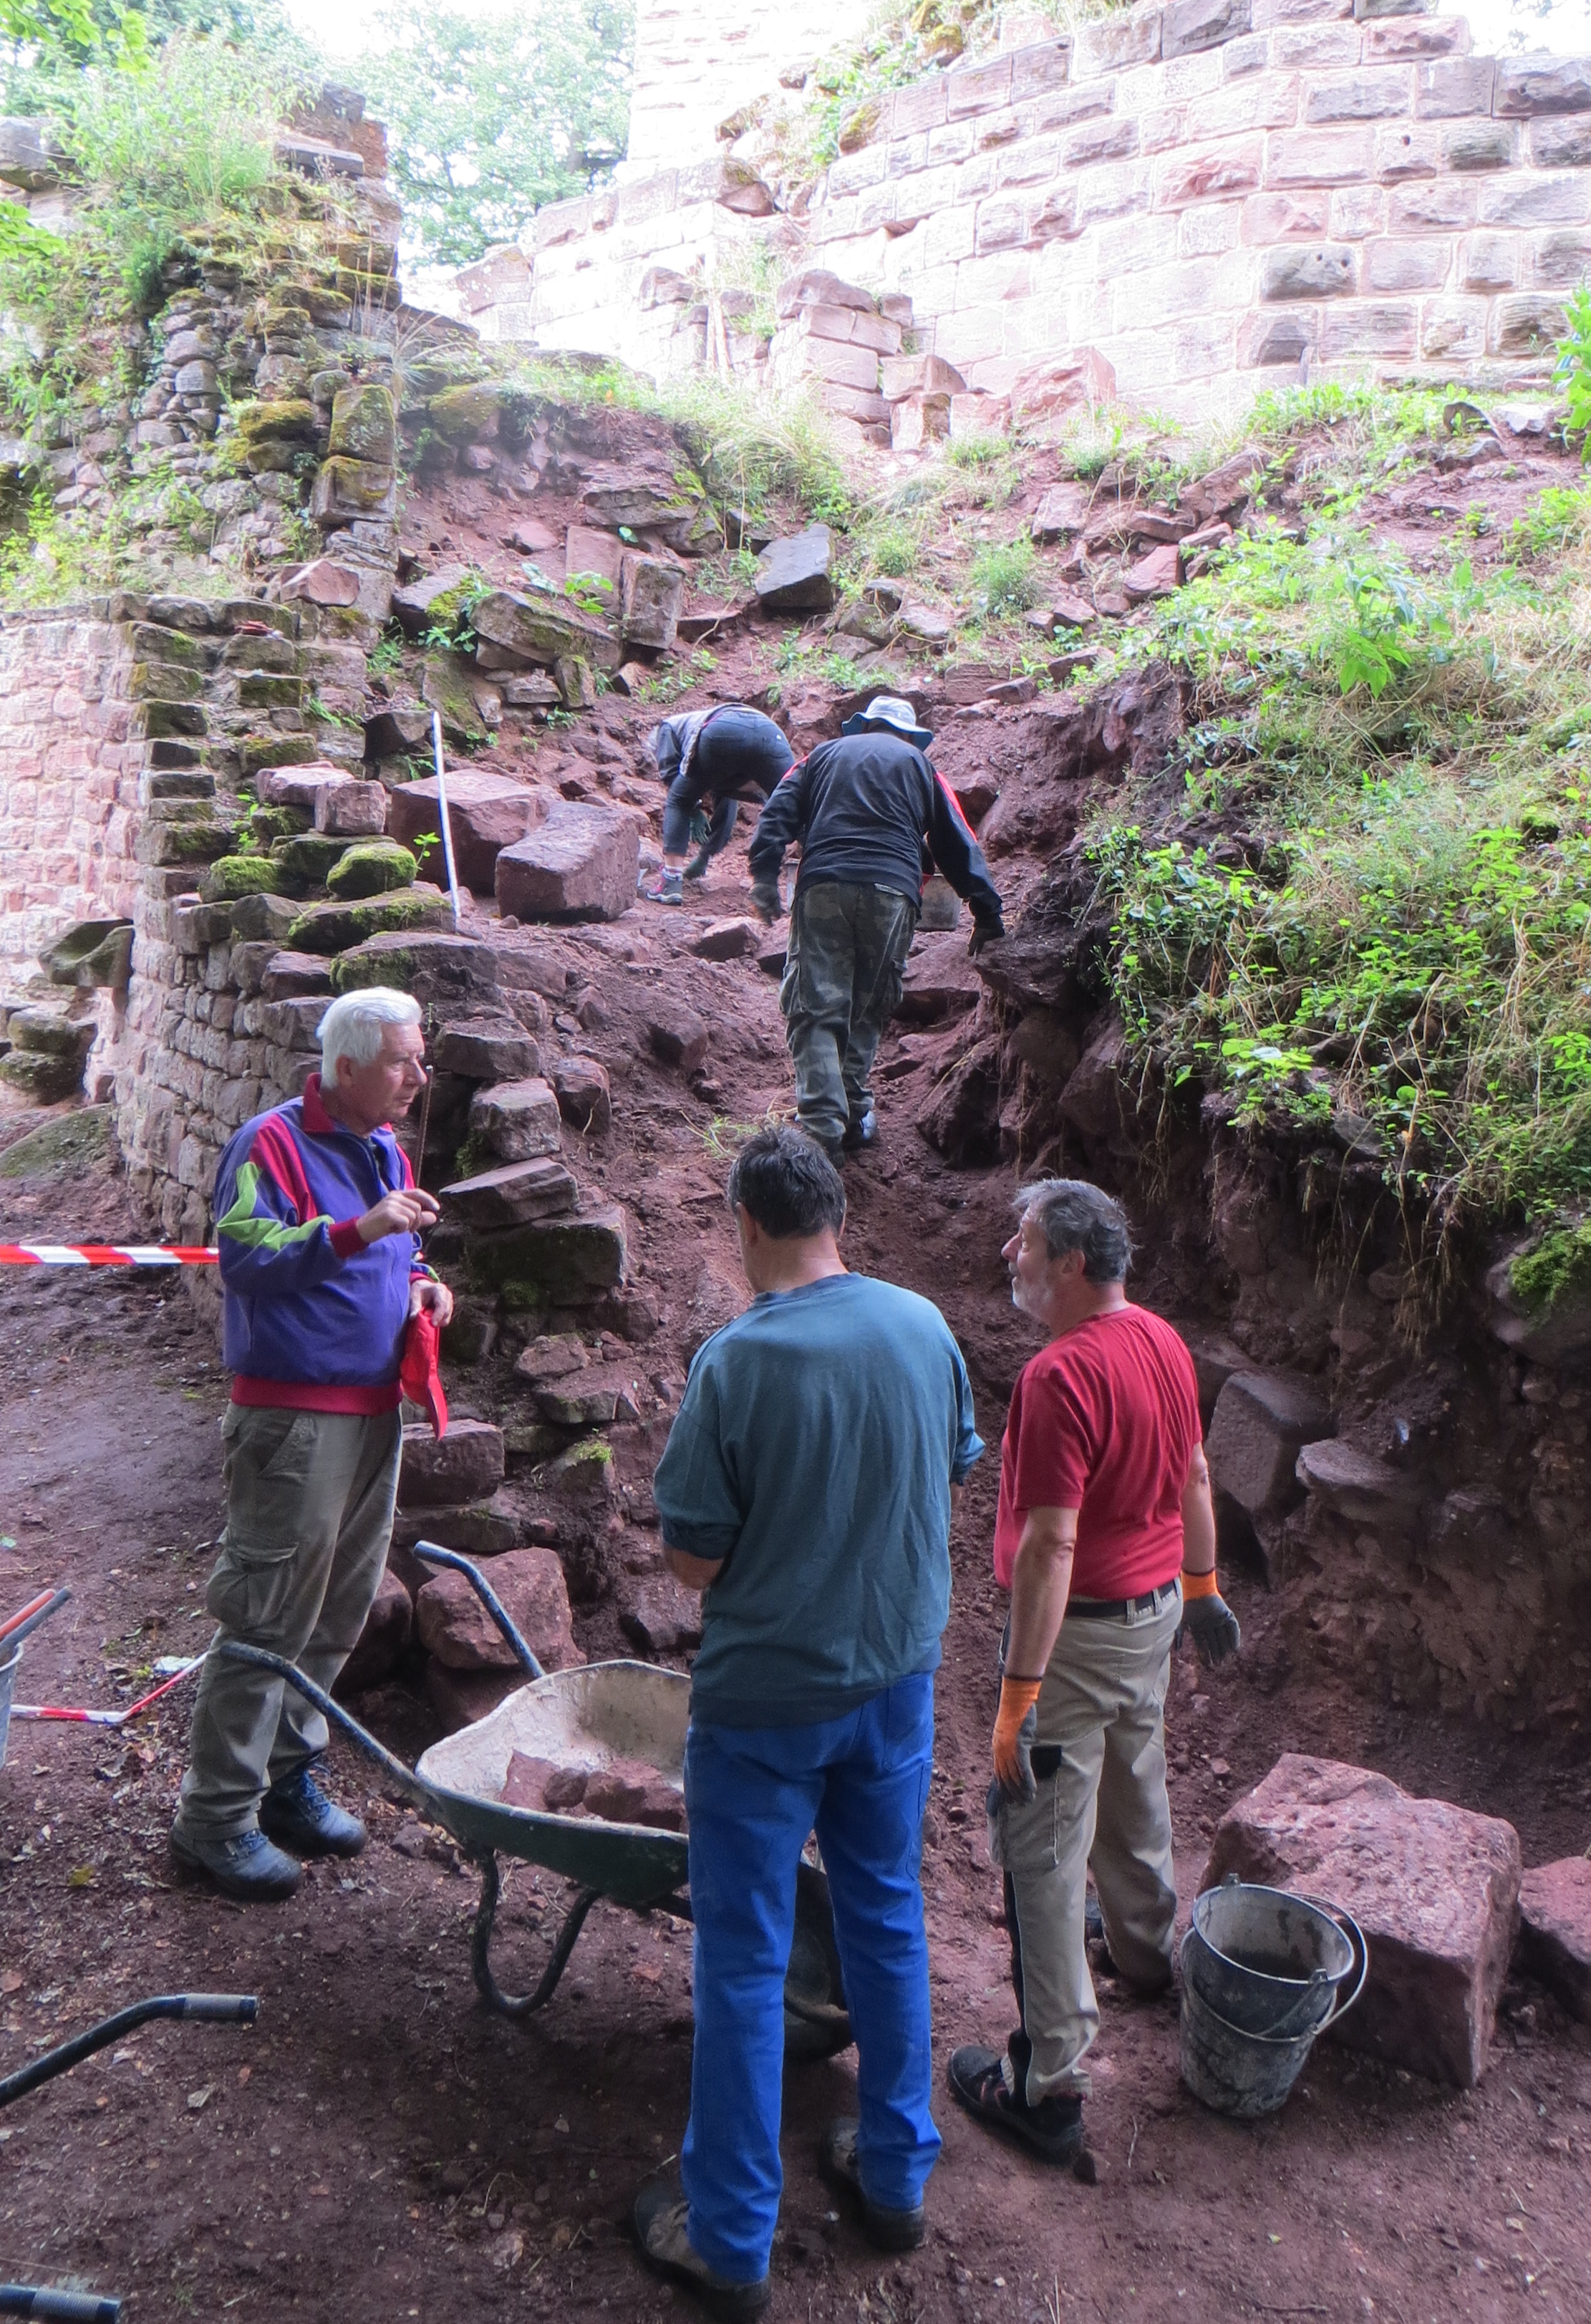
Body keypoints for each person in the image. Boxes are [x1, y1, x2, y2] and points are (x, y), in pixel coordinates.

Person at [635, 1125, 984, 2318]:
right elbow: (948, 1469)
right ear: (837, 1215)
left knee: (744, 1960)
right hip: (895, 1684)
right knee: (886, 1915)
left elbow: (692, 1560)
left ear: (747, 1225)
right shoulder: (924, 1326)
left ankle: (731, 2241)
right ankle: (894, 2177)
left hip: (766, 1707)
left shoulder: (736, 1363)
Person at [948, 1179, 1242, 2165]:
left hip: (1076, 1634)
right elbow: (1195, 1473)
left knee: (1039, 1843)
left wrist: (1018, 1696)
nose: (1010, 1253)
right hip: (1154, 1613)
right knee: (1133, 1774)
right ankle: (1149, 1953)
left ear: (1072, 1263)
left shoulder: (1058, 1377)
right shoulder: (1162, 1339)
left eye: (1024, 1240)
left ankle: (1049, 2081)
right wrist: (1202, 1586)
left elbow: (1051, 1546)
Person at [168, 987, 452, 1902]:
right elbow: (246, 1255)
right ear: (347, 1064)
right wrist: (360, 1228)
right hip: (294, 1421)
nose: (419, 1076)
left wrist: (421, 1282)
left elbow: (392, 1252)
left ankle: (286, 1779)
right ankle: (215, 1817)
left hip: (373, 1412)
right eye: (404, 1060)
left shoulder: (382, 1144)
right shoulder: (271, 1143)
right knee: (268, 1615)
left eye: (420, 1058)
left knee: (336, 1609)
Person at [745, 692, 1002, 1162]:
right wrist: (987, 912)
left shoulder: (820, 756)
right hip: (894, 892)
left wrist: (764, 876)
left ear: (864, 727)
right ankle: (852, 1112)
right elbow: (957, 842)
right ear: (909, 736)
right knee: (868, 1004)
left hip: (825, 884)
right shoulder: (922, 767)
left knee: (816, 1006)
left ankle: (822, 1128)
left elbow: (776, 813)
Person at [652, 702, 794, 904]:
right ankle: (823, 876)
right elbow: (726, 799)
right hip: (772, 736)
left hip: (723, 731)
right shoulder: (715, 770)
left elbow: (671, 776)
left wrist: (692, 808)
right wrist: (705, 856)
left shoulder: (666, 728)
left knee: (678, 800)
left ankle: (670, 883)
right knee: (795, 804)